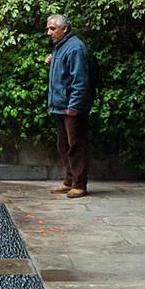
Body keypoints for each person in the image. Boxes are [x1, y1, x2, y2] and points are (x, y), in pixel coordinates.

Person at [45, 13, 96, 198]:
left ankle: (80, 184)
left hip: (71, 108)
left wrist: (74, 106)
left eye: (52, 28)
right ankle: (69, 180)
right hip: (60, 106)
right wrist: (50, 62)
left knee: (76, 145)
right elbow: (63, 75)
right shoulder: (61, 48)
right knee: (64, 146)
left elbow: (80, 80)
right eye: (48, 28)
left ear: (64, 29)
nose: (48, 32)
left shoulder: (75, 48)